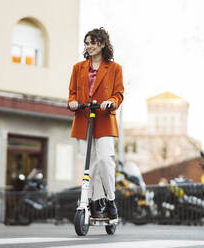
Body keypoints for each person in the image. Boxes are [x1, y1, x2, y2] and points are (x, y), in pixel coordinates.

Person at [67, 27, 124, 220]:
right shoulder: (78, 68)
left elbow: (118, 94)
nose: (89, 46)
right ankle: (95, 200)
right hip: (84, 118)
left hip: (104, 119)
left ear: (102, 43)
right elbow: (72, 93)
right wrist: (73, 103)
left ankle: (110, 199)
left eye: (93, 42)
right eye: (87, 43)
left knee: (105, 159)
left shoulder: (114, 68)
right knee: (88, 165)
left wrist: (112, 102)